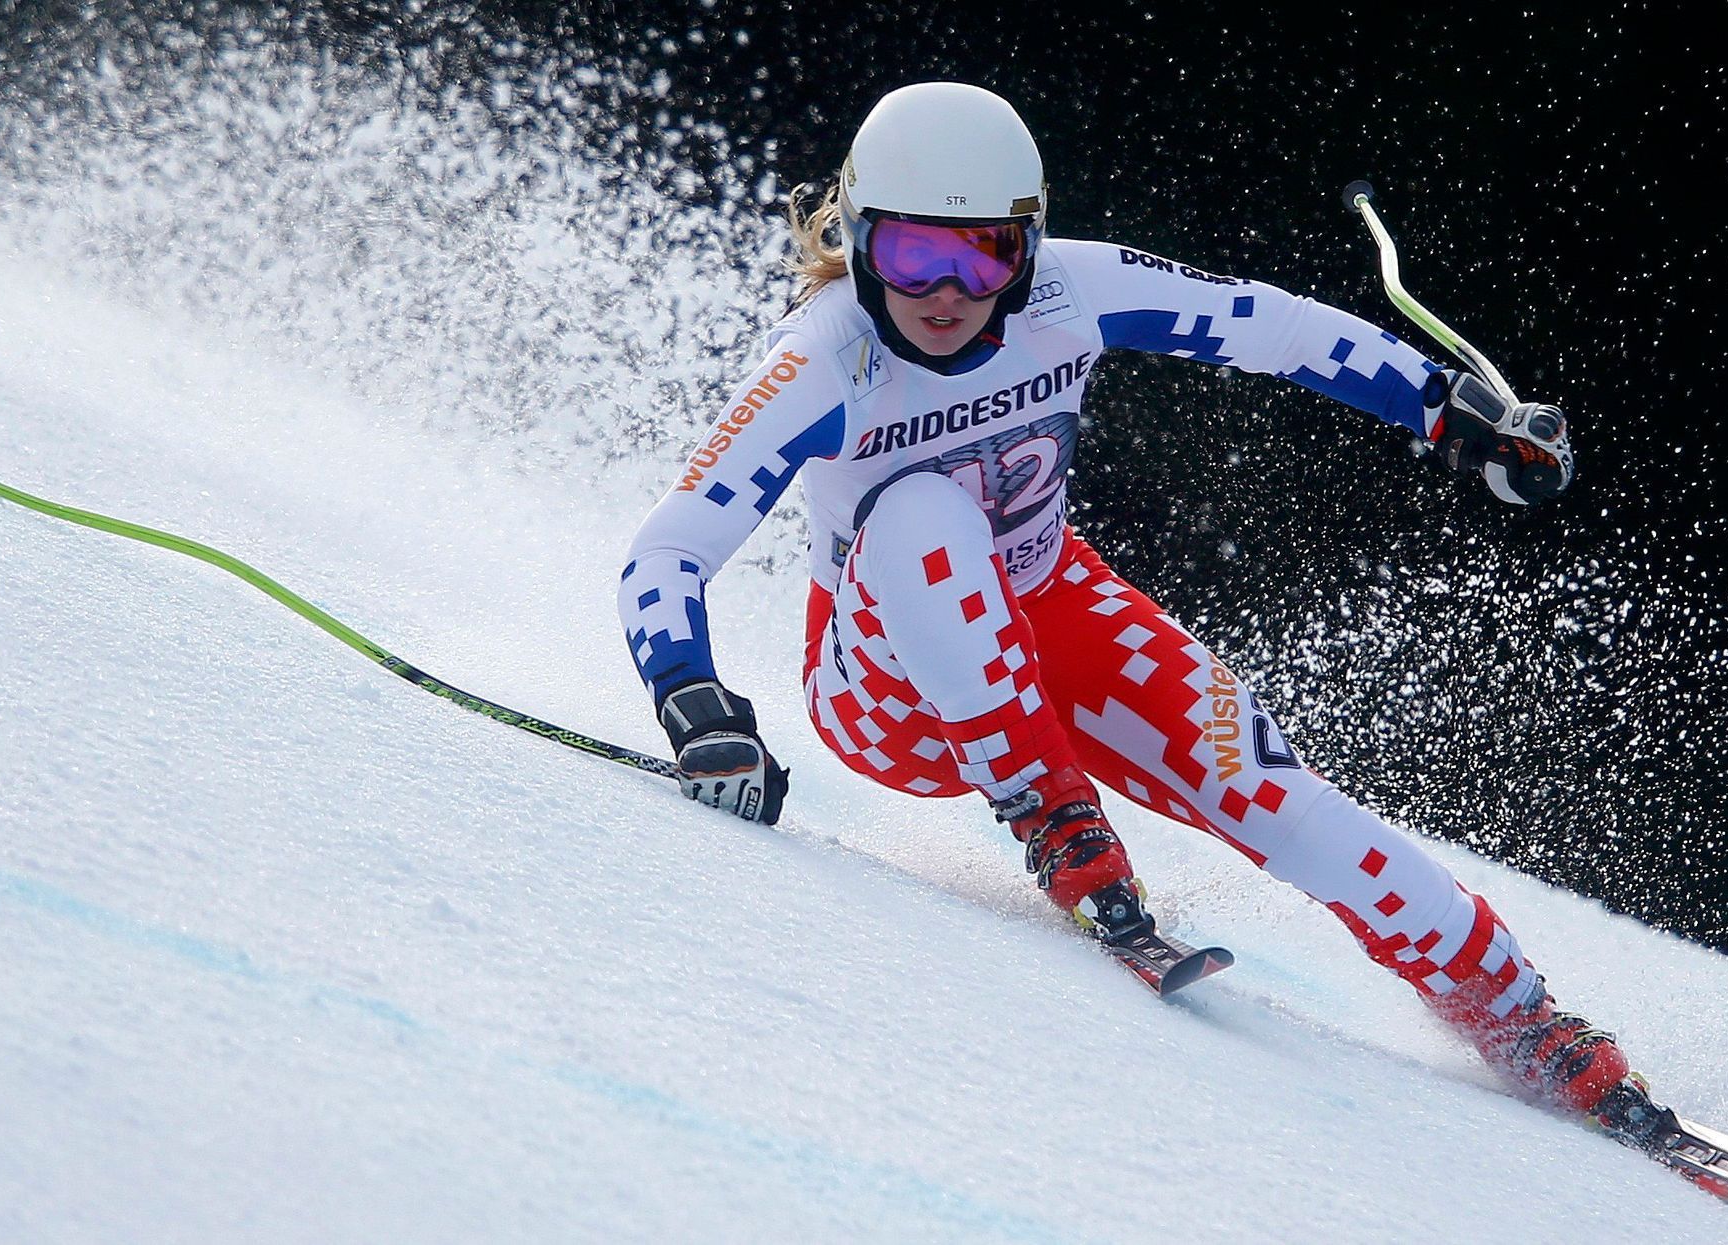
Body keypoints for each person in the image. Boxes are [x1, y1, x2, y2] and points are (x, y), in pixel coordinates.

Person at [617, 81, 1650, 1133]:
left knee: (1263, 782)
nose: (943, 292)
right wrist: (696, 707)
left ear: (1029, 243)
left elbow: (1270, 327)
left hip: (1051, 610)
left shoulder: (1071, 292)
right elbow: (667, 550)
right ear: (861, 238)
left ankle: (1523, 1018)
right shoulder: (824, 360)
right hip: (891, 697)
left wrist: (1447, 409)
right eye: (908, 257)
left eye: (980, 255)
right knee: (919, 512)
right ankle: (1057, 822)